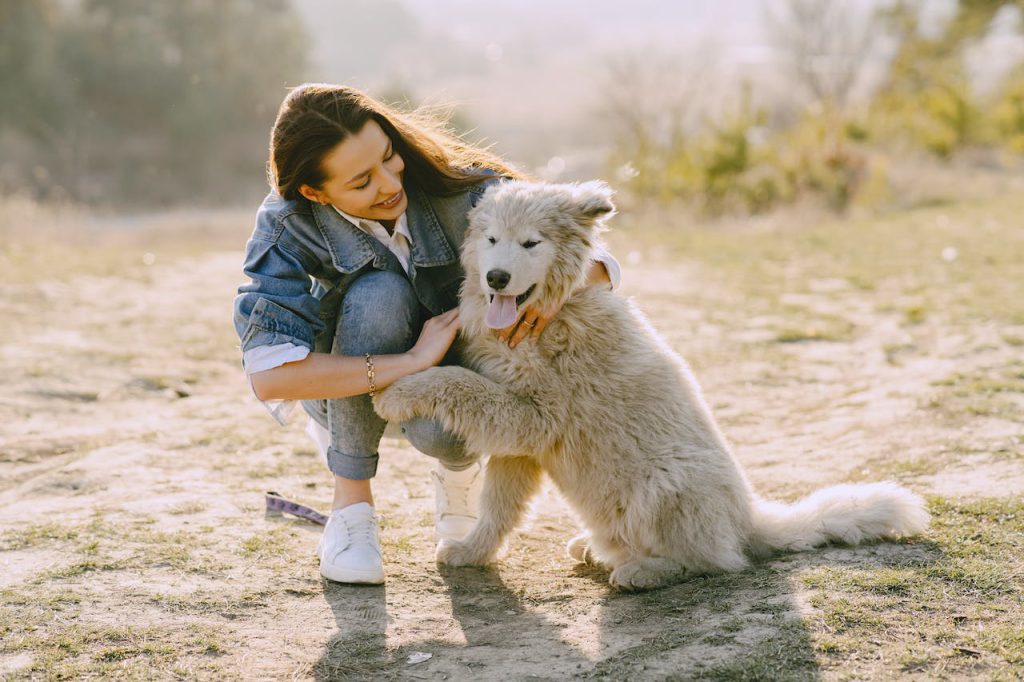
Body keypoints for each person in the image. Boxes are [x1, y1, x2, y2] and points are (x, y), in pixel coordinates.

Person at [233, 84, 621, 585]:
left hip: (457, 378)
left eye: (388, 157)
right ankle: (350, 510)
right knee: (378, 293)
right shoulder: (286, 225)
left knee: (444, 434)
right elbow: (271, 377)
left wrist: (557, 288)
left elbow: (589, 249)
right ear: (315, 192)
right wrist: (413, 361)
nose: (390, 183)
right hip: (345, 391)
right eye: (362, 181)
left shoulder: (463, 186)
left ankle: (458, 477)